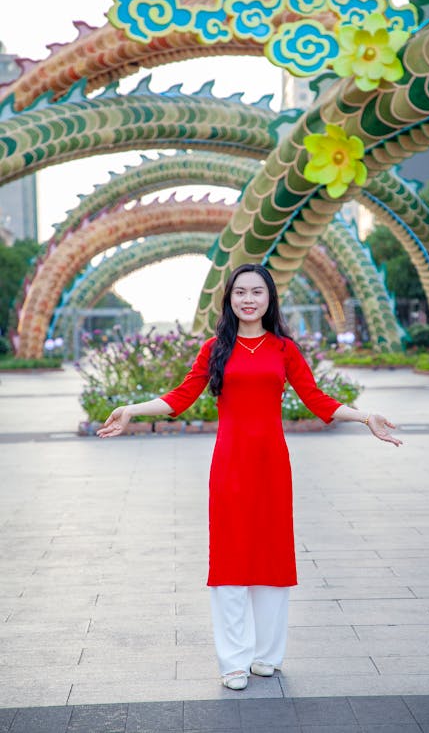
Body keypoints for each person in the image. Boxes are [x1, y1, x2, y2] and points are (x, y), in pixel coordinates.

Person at [97, 263, 402, 690]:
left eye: (257, 292)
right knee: (230, 560)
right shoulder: (213, 349)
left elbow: (316, 399)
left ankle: (267, 656)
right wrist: (132, 410)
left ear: (269, 298)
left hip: (273, 465)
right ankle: (233, 661)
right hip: (230, 467)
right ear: (230, 299)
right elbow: (180, 398)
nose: (248, 299)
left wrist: (365, 416)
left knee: (272, 557)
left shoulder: (284, 350)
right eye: (240, 292)